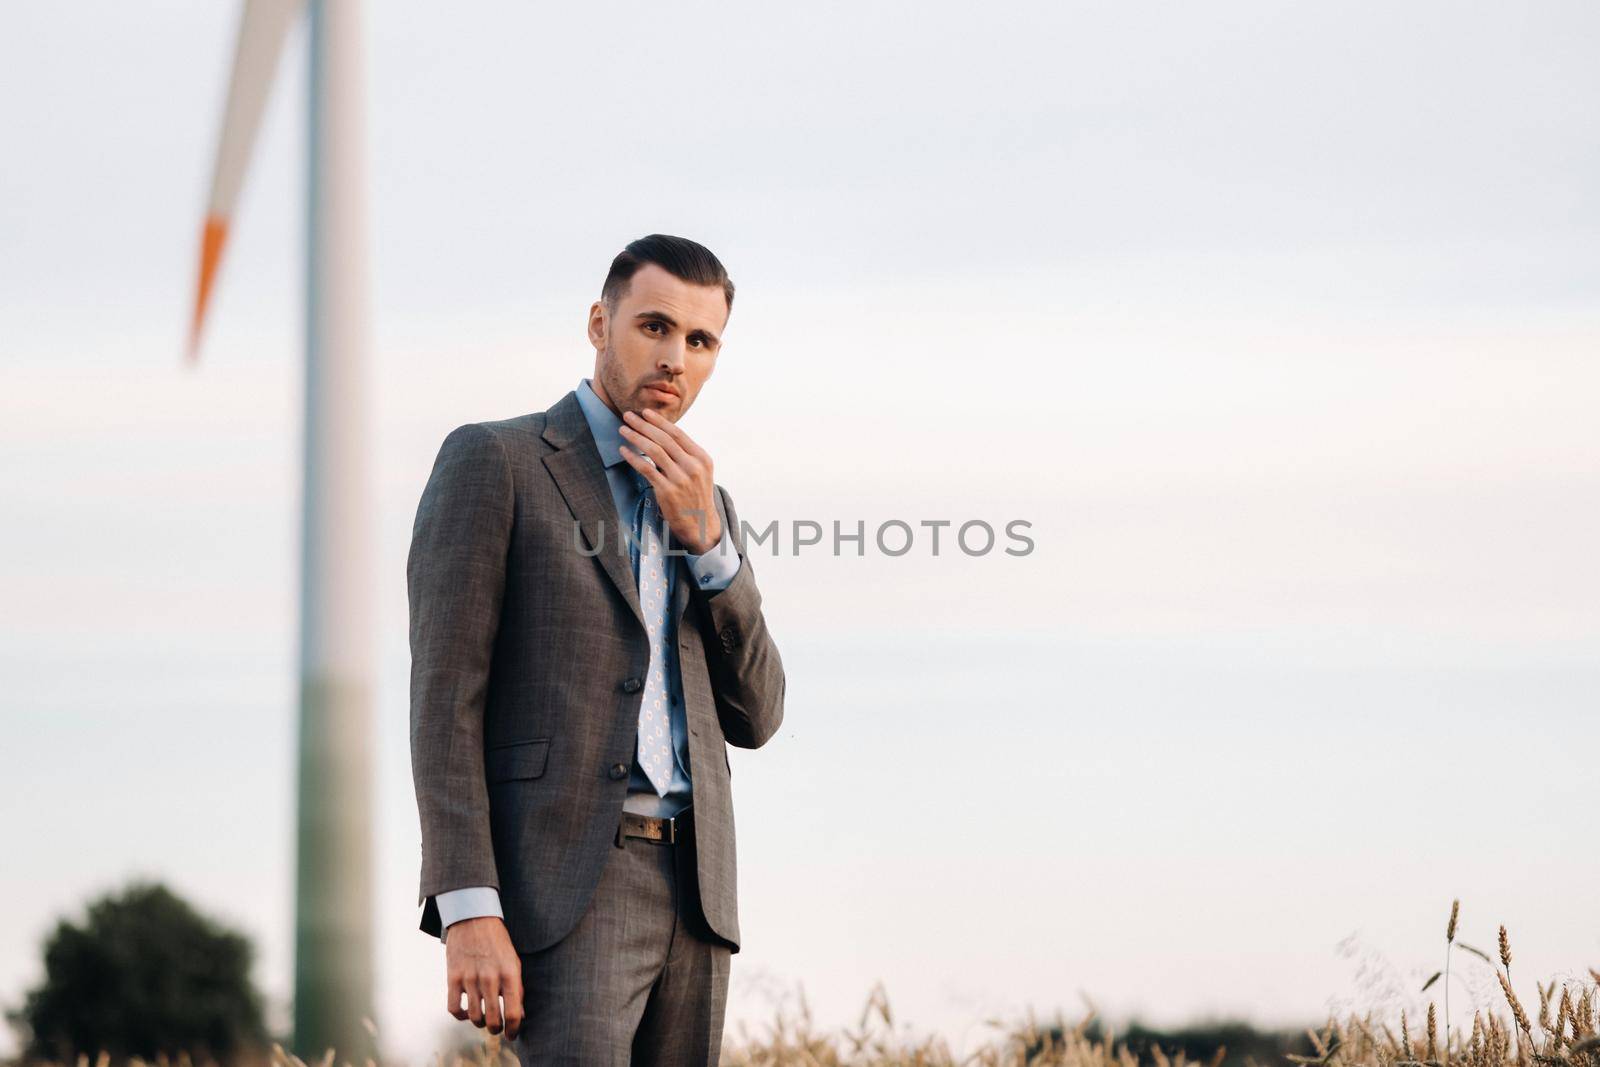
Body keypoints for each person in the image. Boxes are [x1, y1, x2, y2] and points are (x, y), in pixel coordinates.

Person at [407, 233, 786, 1064]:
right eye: (654, 326)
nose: (674, 359)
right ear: (598, 322)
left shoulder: (709, 502)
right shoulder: (496, 461)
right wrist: (469, 905)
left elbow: (758, 714)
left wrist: (712, 549)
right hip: (569, 886)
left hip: (699, 895)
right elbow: (445, 703)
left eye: (700, 341)